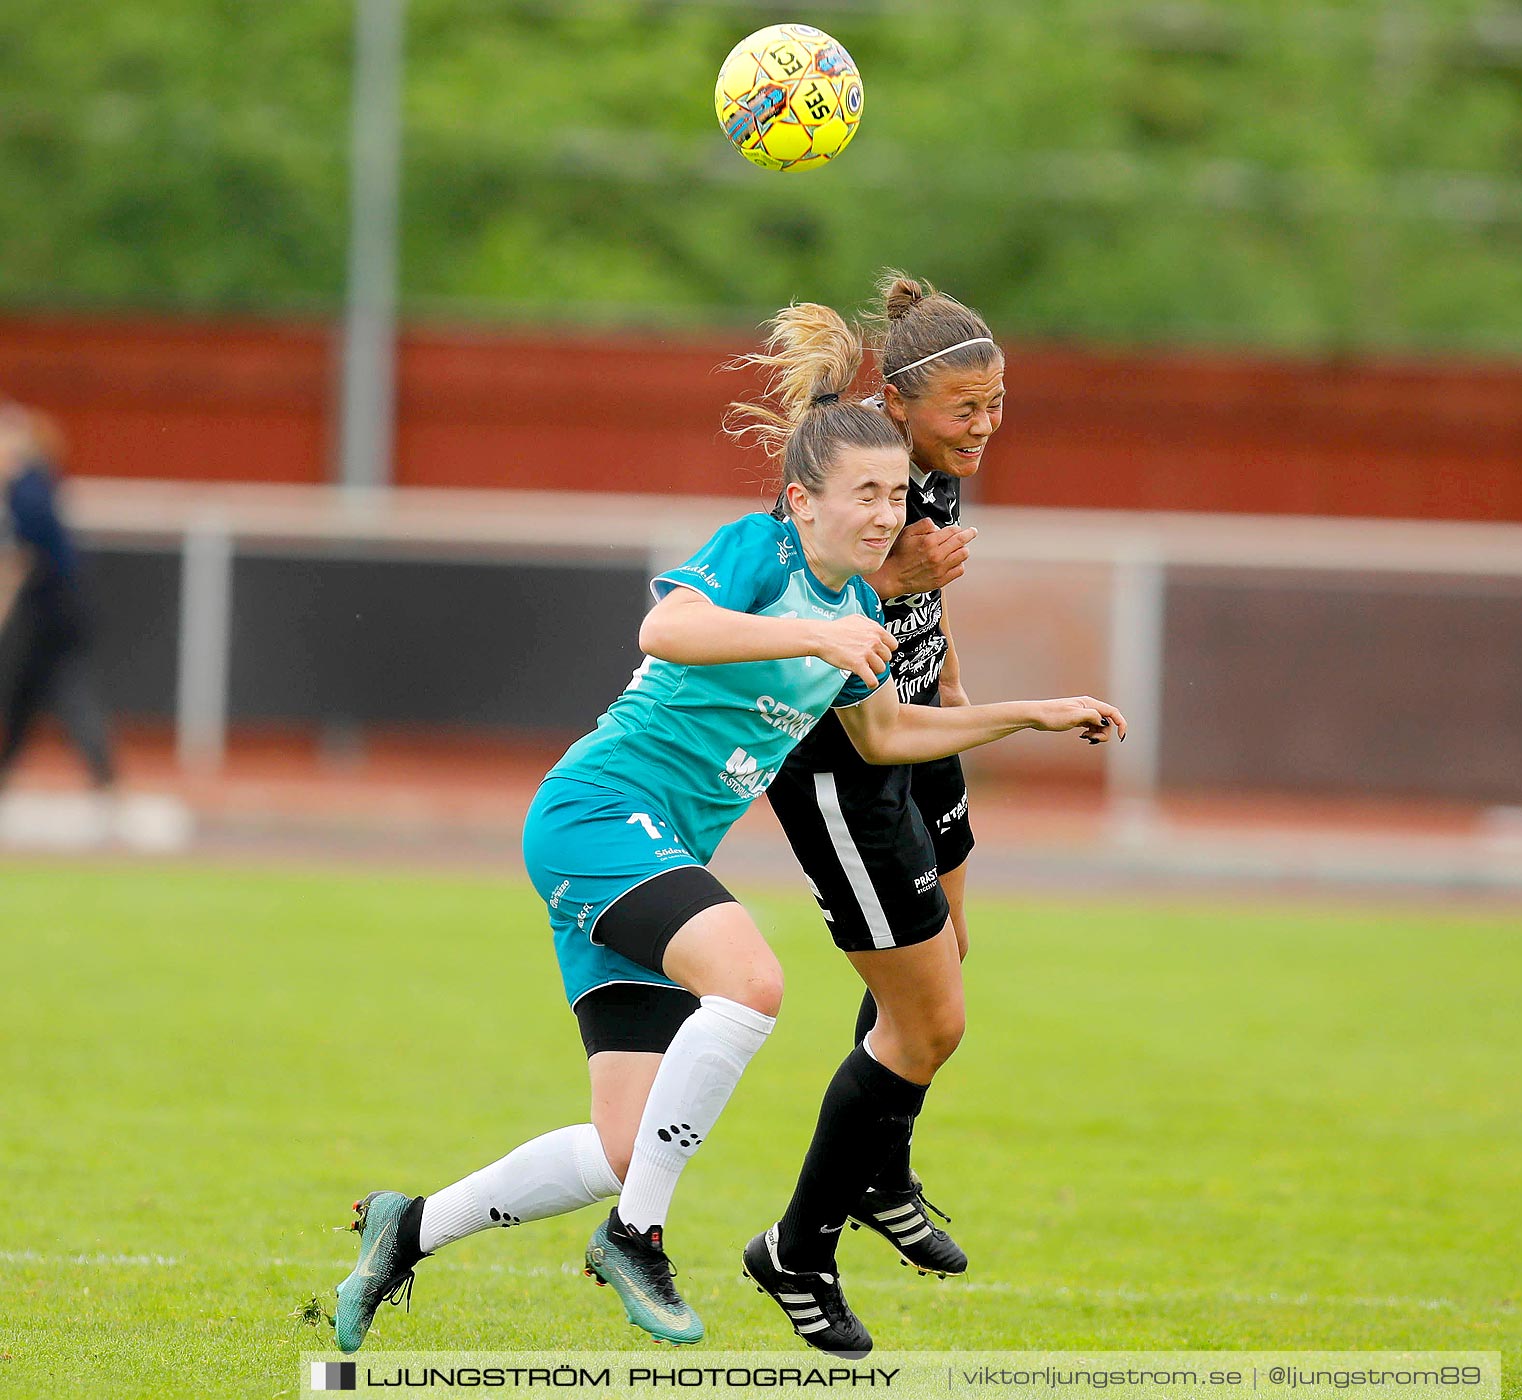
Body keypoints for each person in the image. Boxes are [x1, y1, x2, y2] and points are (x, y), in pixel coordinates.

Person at [329, 302, 1125, 1357]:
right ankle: (638, 1235)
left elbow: (886, 736)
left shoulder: (866, 613)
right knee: (750, 982)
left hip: (653, 852)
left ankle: (408, 1228)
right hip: (596, 816)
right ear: (805, 499)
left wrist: (1031, 710)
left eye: (898, 493)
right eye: (865, 494)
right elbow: (663, 625)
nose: (888, 513)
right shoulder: (760, 552)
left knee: (623, 1139)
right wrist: (811, 629)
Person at [748, 273, 1005, 1353]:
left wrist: (951, 695)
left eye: (997, 405)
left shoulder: (930, 474)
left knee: (944, 963)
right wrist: (899, 578)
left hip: (911, 735)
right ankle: (797, 1246)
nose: (985, 426)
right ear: (898, 405)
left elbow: (917, 614)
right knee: (928, 1017)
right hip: (838, 757)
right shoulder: (855, 485)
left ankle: (880, 1170)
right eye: (966, 409)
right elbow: (808, 606)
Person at [0, 404, 116, 793]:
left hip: (59, 609)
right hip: (48, 608)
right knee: (25, 694)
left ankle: (105, 778)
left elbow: (20, 560)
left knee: (65, 689)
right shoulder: (24, 487)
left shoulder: (28, 492)